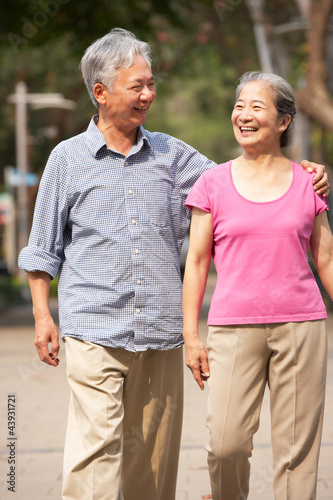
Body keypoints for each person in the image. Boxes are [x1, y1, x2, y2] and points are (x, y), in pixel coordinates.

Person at [17, 27, 328, 500]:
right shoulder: (67, 159)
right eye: (137, 85)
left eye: (150, 83)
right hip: (93, 327)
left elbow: (244, 181)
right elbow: (42, 247)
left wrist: (302, 170)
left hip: (160, 333)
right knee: (95, 453)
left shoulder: (173, 154)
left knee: (153, 464)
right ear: (100, 93)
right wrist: (43, 315)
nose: (149, 93)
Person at [182, 71, 333, 500]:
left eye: (256, 106)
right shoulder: (211, 183)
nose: (243, 115)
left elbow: (326, 257)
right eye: (239, 106)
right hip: (232, 328)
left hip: (301, 325)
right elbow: (195, 263)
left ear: (283, 121)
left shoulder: (309, 182)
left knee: (296, 452)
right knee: (226, 444)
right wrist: (191, 336)